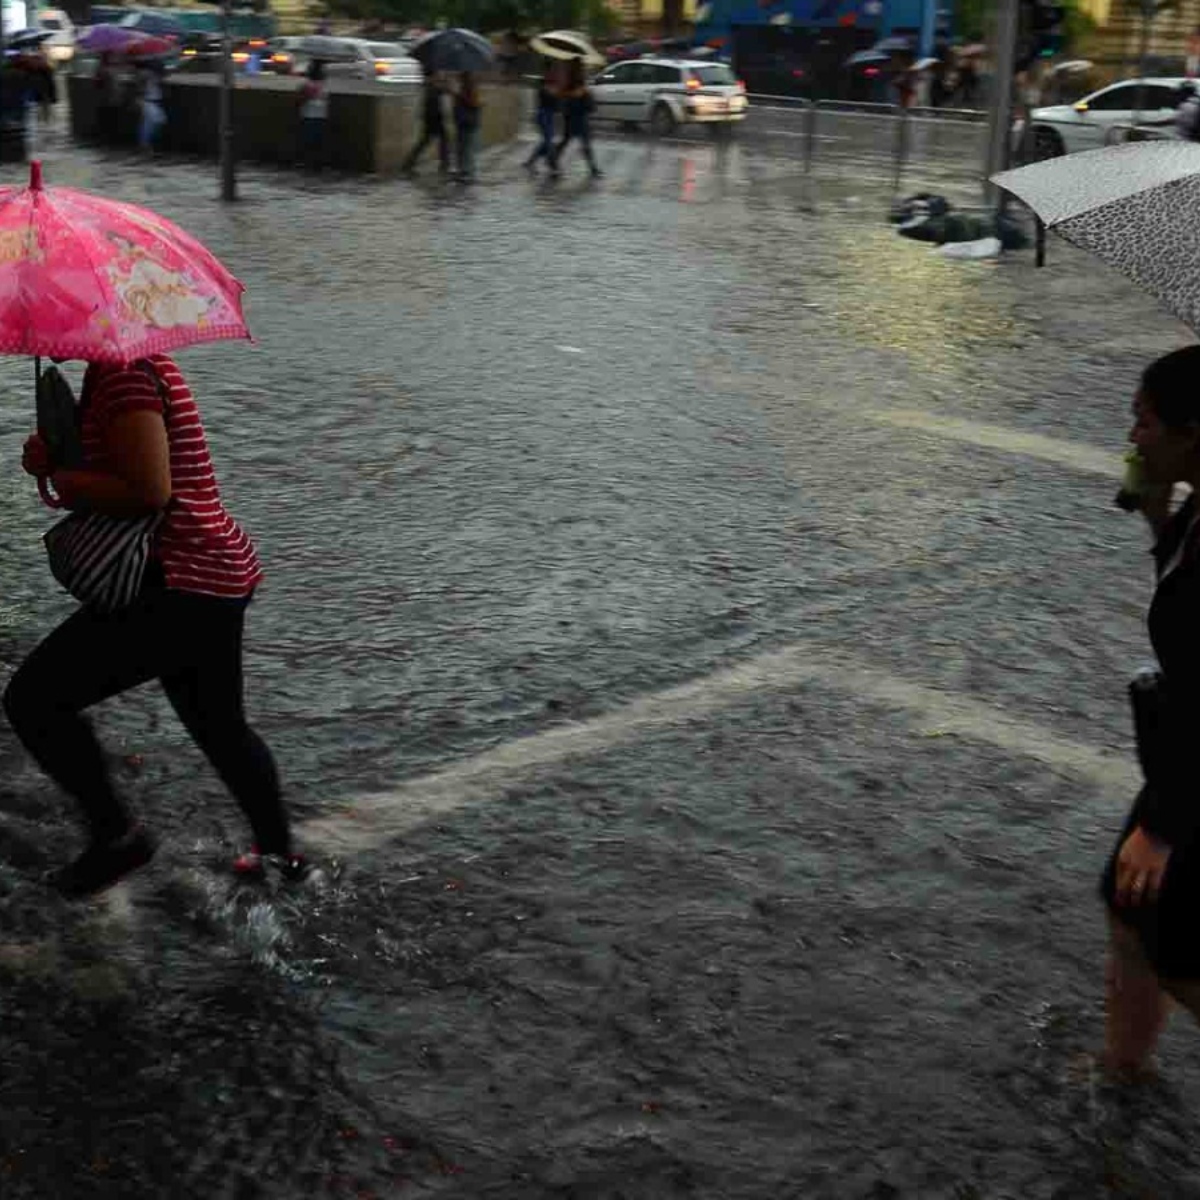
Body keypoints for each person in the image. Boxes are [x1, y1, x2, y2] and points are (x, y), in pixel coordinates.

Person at [4, 355, 307, 898]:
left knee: (34, 700)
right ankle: (281, 858)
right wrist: (54, 466)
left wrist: (62, 477)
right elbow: (122, 474)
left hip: (176, 581)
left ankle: (116, 835)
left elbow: (148, 490)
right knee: (220, 726)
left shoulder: (123, 376)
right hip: (210, 575)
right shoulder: (127, 368)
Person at [1100, 346, 1200, 1079]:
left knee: (1179, 952)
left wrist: (1163, 830)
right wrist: (1160, 521)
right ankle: (1122, 1070)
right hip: (1180, 755)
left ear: (1190, 431)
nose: (1133, 438)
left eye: (1144, 422)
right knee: (1128, 911)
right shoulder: (1197, 507)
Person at [550, 56, 600, 179]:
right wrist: (577, 93)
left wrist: (584, 91)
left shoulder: (579, 76)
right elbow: (561, 92)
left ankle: (593, 168)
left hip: (580, 112)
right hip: (572, 113)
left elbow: (579, 91)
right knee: (570, 140)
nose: (583, 65)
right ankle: (553, 159)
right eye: (581, 63)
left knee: (582, 140)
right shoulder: (569, 75)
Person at [402, 66, 449, 176]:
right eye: (437, 74)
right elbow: (439, 94)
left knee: (430, 141)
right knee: (440, 141)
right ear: (432, 75)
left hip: (432, 117)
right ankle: (444, 165)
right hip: (434, 118)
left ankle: (409, 164)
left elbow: (443, 91)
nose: (439, 75)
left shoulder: (430, 85)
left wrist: (444, 81)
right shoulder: (430, 86)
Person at [524, 61, 560, 173]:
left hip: (549, 115)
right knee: (548, 141)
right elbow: (546, 97)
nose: (553, 73)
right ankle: (553, 166)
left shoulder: (553, 83)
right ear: (547, 70)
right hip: (543, 114)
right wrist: (554, 93)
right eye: (551, 70)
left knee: (547, 141)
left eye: (554, 70)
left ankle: (531, 162)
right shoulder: (542, 83)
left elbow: (555, 101)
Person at [297, 59, 329, 169]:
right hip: (320, 117)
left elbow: (300, 100)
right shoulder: (323, 85)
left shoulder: (306, 85)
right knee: (317, 144)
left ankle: (310, 164)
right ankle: (316, 164)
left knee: (309, 144)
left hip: (308, 117)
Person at [453, 69, 482, 181]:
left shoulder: (470, 87)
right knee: (461, 147)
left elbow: (473, 103)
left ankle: (469, 173)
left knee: (467, 148)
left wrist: (458, 95)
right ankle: (463, 171)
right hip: (462, 121)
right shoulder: (463, 87)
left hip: (467, 122)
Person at [136, 60, 166, 154]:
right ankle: (145, 146)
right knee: (151, 123)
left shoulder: (154, 75)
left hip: (152, 101)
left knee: (155, 122)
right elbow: (140, 86)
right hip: (148, 101)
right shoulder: (146, 74)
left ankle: (147, 145)